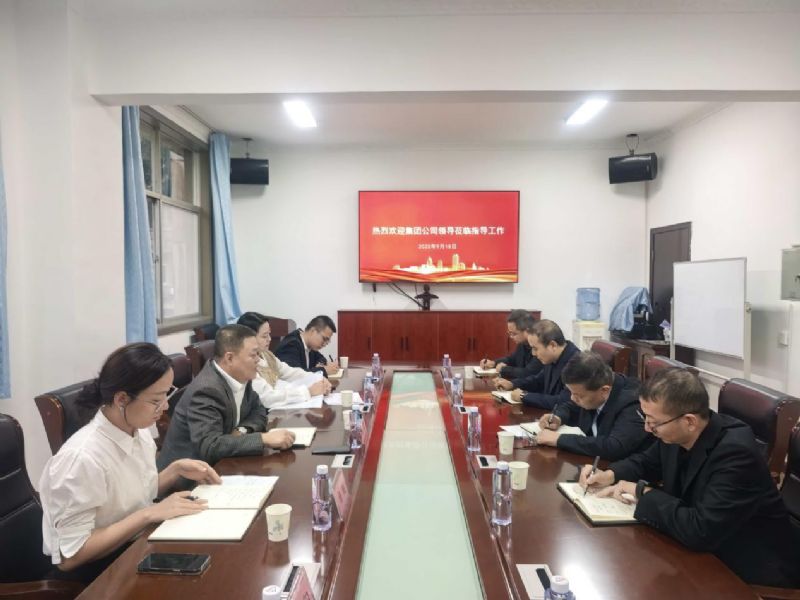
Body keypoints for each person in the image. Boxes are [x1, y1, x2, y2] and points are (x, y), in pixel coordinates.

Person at [581, 368, 800, 588]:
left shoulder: (736, 454)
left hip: (746, 567)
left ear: (689, 421)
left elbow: (700, 530)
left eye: (653, 422)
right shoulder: (678, 432)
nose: (647, 428)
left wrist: (642, 492)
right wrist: (610, 474)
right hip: (700, 549)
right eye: (645, 418)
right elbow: (646, 462)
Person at [38, 343, 221, 583]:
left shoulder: (136, 429)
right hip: (97, 574)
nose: (165, 406)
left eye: (167, 394)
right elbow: (70, 557)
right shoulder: (81, 458)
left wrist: (174, 470)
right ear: (122, 399)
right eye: (156, 400)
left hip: (134, 546)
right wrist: (148, 514)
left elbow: (131, 497)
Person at [158, 325, 296, 470]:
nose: (259, 360)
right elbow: (210, 446)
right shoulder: (207, 390)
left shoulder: (240, 375)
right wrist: (263, 439)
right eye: (254, 355)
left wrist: (242, 431)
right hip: (189, 476)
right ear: (230, 358)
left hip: (225, 464)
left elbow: (259, 410)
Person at [535, 351, 653, 460]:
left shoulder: (633, 402)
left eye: (578, 395)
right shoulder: (591, 390)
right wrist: (558, 417)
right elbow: (571, 407)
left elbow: (614, 447)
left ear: (604, 390)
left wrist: (559, 440)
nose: (572, 398)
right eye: (571, 392)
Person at [237, 311, 331, 408]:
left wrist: (316, 378)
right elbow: (267, 397)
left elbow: (289, 372)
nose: (269, 339)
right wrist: (307, 392)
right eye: (264, 336)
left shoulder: (266, 355)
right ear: (248, 339)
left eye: (269, 334)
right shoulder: (246, 364)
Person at [494, 319, 579, 409]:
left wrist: (524, 396)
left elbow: (563, 401)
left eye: (535, 348)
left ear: (552, 345)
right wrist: (512, 384)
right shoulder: (552, 357)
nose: (533, 353)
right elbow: (538, 380)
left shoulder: (576, 364)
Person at [479, 309, 543, 380]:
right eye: (509, 333)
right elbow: (511, 359)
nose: (511, 337)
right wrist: (493, 363)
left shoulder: (540, 346)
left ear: (527, 331)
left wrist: (504, 369)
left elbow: (528, 372)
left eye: (514, 333)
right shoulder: (522, 343)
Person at [275, 315, 339, 377]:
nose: (325, 344)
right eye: (324, 339)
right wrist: (324, 370)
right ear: (312, 331)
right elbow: (295, 375)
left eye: (327, 341)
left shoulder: (310, 346)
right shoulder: (291, 345)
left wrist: (322, 364)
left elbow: (321, 358)